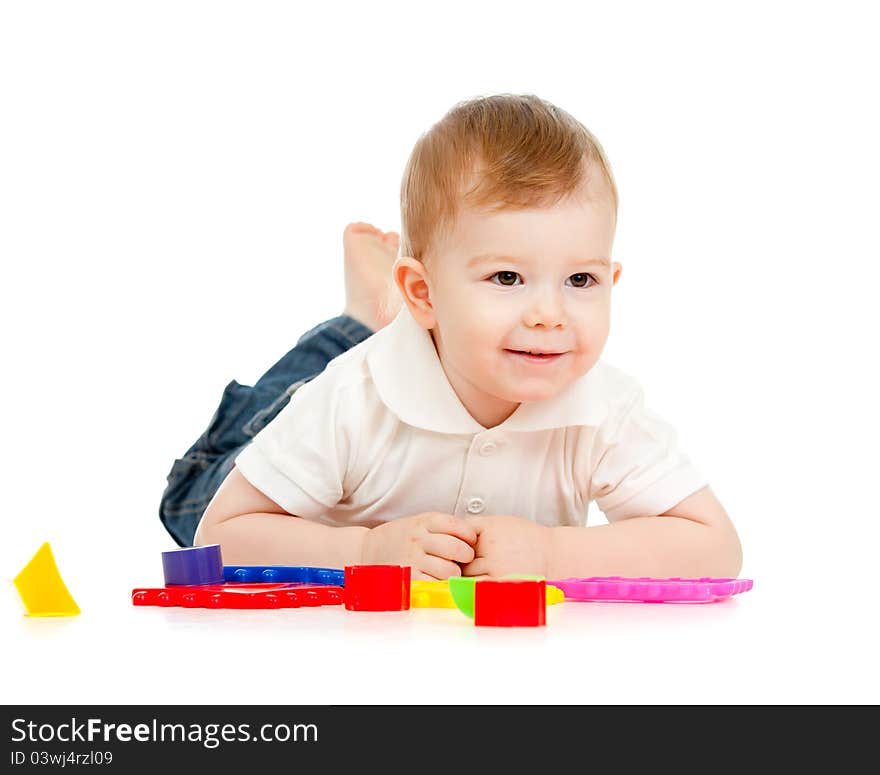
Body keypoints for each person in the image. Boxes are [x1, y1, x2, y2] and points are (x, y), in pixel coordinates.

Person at [178, 93, 743, 581]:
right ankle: (359, 318)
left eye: (580, 279)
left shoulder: (605, 407)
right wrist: (366, 551)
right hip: (272, 486)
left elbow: (716, 547)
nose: (551, 315)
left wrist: (554, 553)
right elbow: (215, 538)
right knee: (191, 498)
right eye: (506, 277)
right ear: (425, 293)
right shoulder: (353, 398)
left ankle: (380, 306)